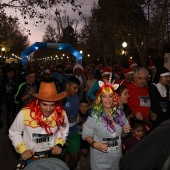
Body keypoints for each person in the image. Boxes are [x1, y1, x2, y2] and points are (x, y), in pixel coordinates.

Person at [9, 81, 69, 168]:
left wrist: (59, 144)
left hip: (51, 158)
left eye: (52, 105)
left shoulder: (61, 114)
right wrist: (23, 150)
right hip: (30, 159)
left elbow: (63, 129)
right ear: (38, 101)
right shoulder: (25, 113)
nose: (48, 109)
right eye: (44, 104)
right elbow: (14, 132)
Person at [82, 80, 130, 170]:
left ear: (114, 98)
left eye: (110, 96)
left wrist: (126, 131)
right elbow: (86, 134)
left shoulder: (120, 113)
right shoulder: (94, 116)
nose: (107, 99)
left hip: (116, 158)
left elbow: (122, 135)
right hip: (100, 160)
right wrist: (94, 144)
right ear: (100, 98)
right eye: (104, 97)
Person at [62, 76, 81, 170]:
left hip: (74, 132)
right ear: (67, 86)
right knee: (60, 159)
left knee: (75, 158)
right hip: (61, 135)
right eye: (74, 88)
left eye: (77, 88)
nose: (76, 90)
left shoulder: (76, 96)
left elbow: (76, 112)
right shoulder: (59, 98)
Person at [78, 99, 90, 169]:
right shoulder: (76, 114)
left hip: (85, 136)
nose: (84, 108)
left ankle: (83, 158)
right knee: (76, 152)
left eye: (86, 106)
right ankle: (77, 162)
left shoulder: (89, 115)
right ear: (79, 107)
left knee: (84, 152)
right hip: (77, 135)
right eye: (82, 106)